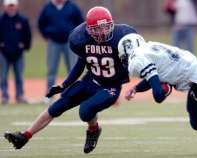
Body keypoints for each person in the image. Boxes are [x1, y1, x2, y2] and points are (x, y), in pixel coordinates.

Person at [4, 6, 139, 154]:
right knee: (57, 107)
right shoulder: (80, 38)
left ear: (111, 25)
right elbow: (80, 64)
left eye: (105, 27)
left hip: (111, 87)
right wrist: (64, 85)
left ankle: (93, 129)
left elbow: (138, 62)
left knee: (85, 111)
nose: (101, 32)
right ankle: (25, 135)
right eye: (96, 28)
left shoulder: (123, 38)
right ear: (88, 29)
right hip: (90, 80)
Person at [118, 33, 197, 144]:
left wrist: (166, 89)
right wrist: (136, 88)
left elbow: (158, 95)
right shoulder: (150, 46)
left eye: (124, 57)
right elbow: (157, 75)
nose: (125, 61)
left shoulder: (137, 59)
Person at [38, 0, 84, 94]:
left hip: (70, 43)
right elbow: (41, 23)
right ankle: (49, 93)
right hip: (53, 42)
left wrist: (77, 36)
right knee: (52, 69)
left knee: (72, 68)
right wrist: (45, 35)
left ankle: (72, 92)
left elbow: (81, 23)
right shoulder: (48, 7)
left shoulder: (72, 6)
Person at [0, 0, 31, 105]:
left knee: (19, 75)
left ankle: (20, 95)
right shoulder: (1, 20)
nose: (11, 8)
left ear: (16, 6)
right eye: (9, 6)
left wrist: (25, 46)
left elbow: (27, 35)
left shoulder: (22, 20)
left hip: (18, 53)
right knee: (3, 75)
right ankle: (4, 96)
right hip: (3, 53)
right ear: (5, 6)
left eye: (12, 6)